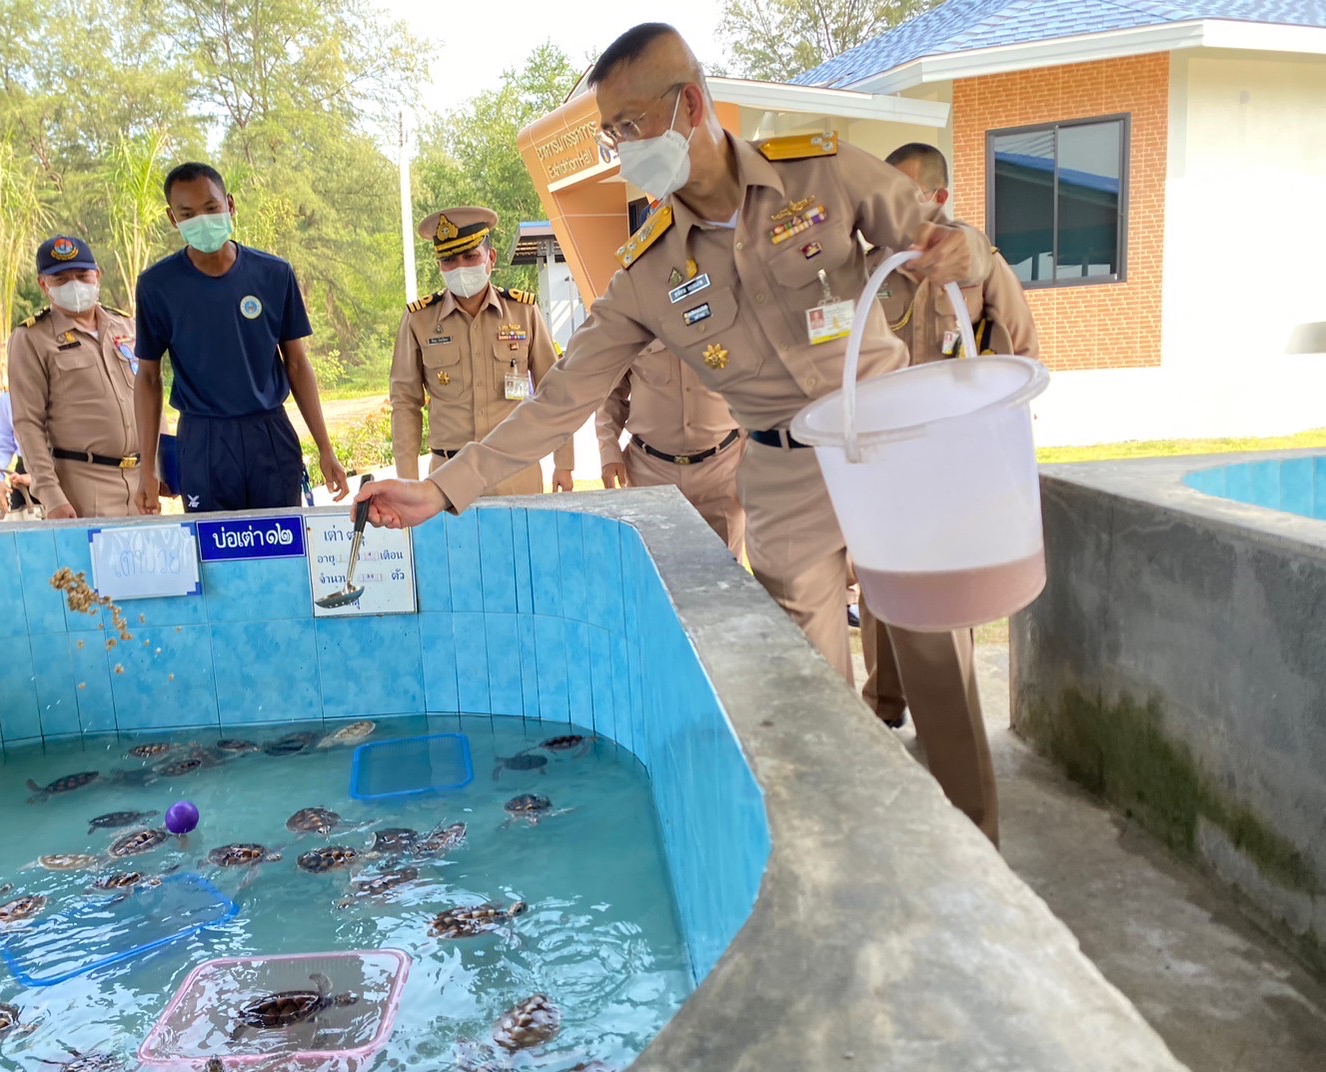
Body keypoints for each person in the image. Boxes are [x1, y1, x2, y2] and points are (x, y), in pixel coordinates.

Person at [355, 24, 1003, 844]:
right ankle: (840, 854)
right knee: (802, 691)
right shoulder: (649, 268)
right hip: (781, 476)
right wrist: (443, 487)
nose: (619, 149)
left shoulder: (822, 169)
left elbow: (952, 243)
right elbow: (563, 394)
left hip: (889, 453)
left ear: (689, 105)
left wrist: (961, 253)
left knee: (936, 660)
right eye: (610, 133)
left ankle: (977, 847)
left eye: (627, 128)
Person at [859, 143, 1040, 730]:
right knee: (883, 587)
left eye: (905, 192)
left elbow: (1022, 351)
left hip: (961, 462)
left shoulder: (980, 264)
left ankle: (952, 718)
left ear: (938, 198)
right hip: (889, 462)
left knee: (951, 589)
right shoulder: (871, 269)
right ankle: (885, 705)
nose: (893, 206)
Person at [133, 162, 346, 514]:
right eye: (188, 213)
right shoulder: (157, 286)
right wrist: (148, 470)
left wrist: (325, 448)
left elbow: (296, 363)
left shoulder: (274, 274)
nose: (202, 220)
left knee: (283, 544)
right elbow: (148, 377)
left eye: (211, 208)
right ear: (174, 220)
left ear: (230, 205)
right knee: (216, 554)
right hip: (203, 440)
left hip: (270, 433)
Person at [391, 207, 573, 496]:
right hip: (447, 477)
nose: (460, 268)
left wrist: (564, 463)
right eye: (448, 260)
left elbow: (553, 389)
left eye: (470, 256)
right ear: (439, 265)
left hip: (516, 471)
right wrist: (407, 480)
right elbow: (405, 403)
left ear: (491, 258)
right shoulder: (419, 320)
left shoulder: (523, 312)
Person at [6, 236, 142, 518]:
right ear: (44, 285)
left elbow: (148, 395)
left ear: (97, 276)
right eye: (61, 279)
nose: (75, 285)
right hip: (82, 487)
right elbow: (28, 423)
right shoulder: (32, 338)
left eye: (82, 275)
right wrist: (51, 495)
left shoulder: (127, 326)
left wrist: (162, 469)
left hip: (140, 483)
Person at [597, 340, 744, 555]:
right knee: (652, 572)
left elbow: (754, 387)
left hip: (721, 474)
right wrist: (609, 453)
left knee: (726, 575)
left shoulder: (727, 315)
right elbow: (610, 395)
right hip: (650, 474)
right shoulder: (636, 315)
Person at [0, 391, 37, 519]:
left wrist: (38, 477)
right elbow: (2, 445)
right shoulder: (8, 398)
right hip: (22, 479)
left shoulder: (61, 394)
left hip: (63, 474)